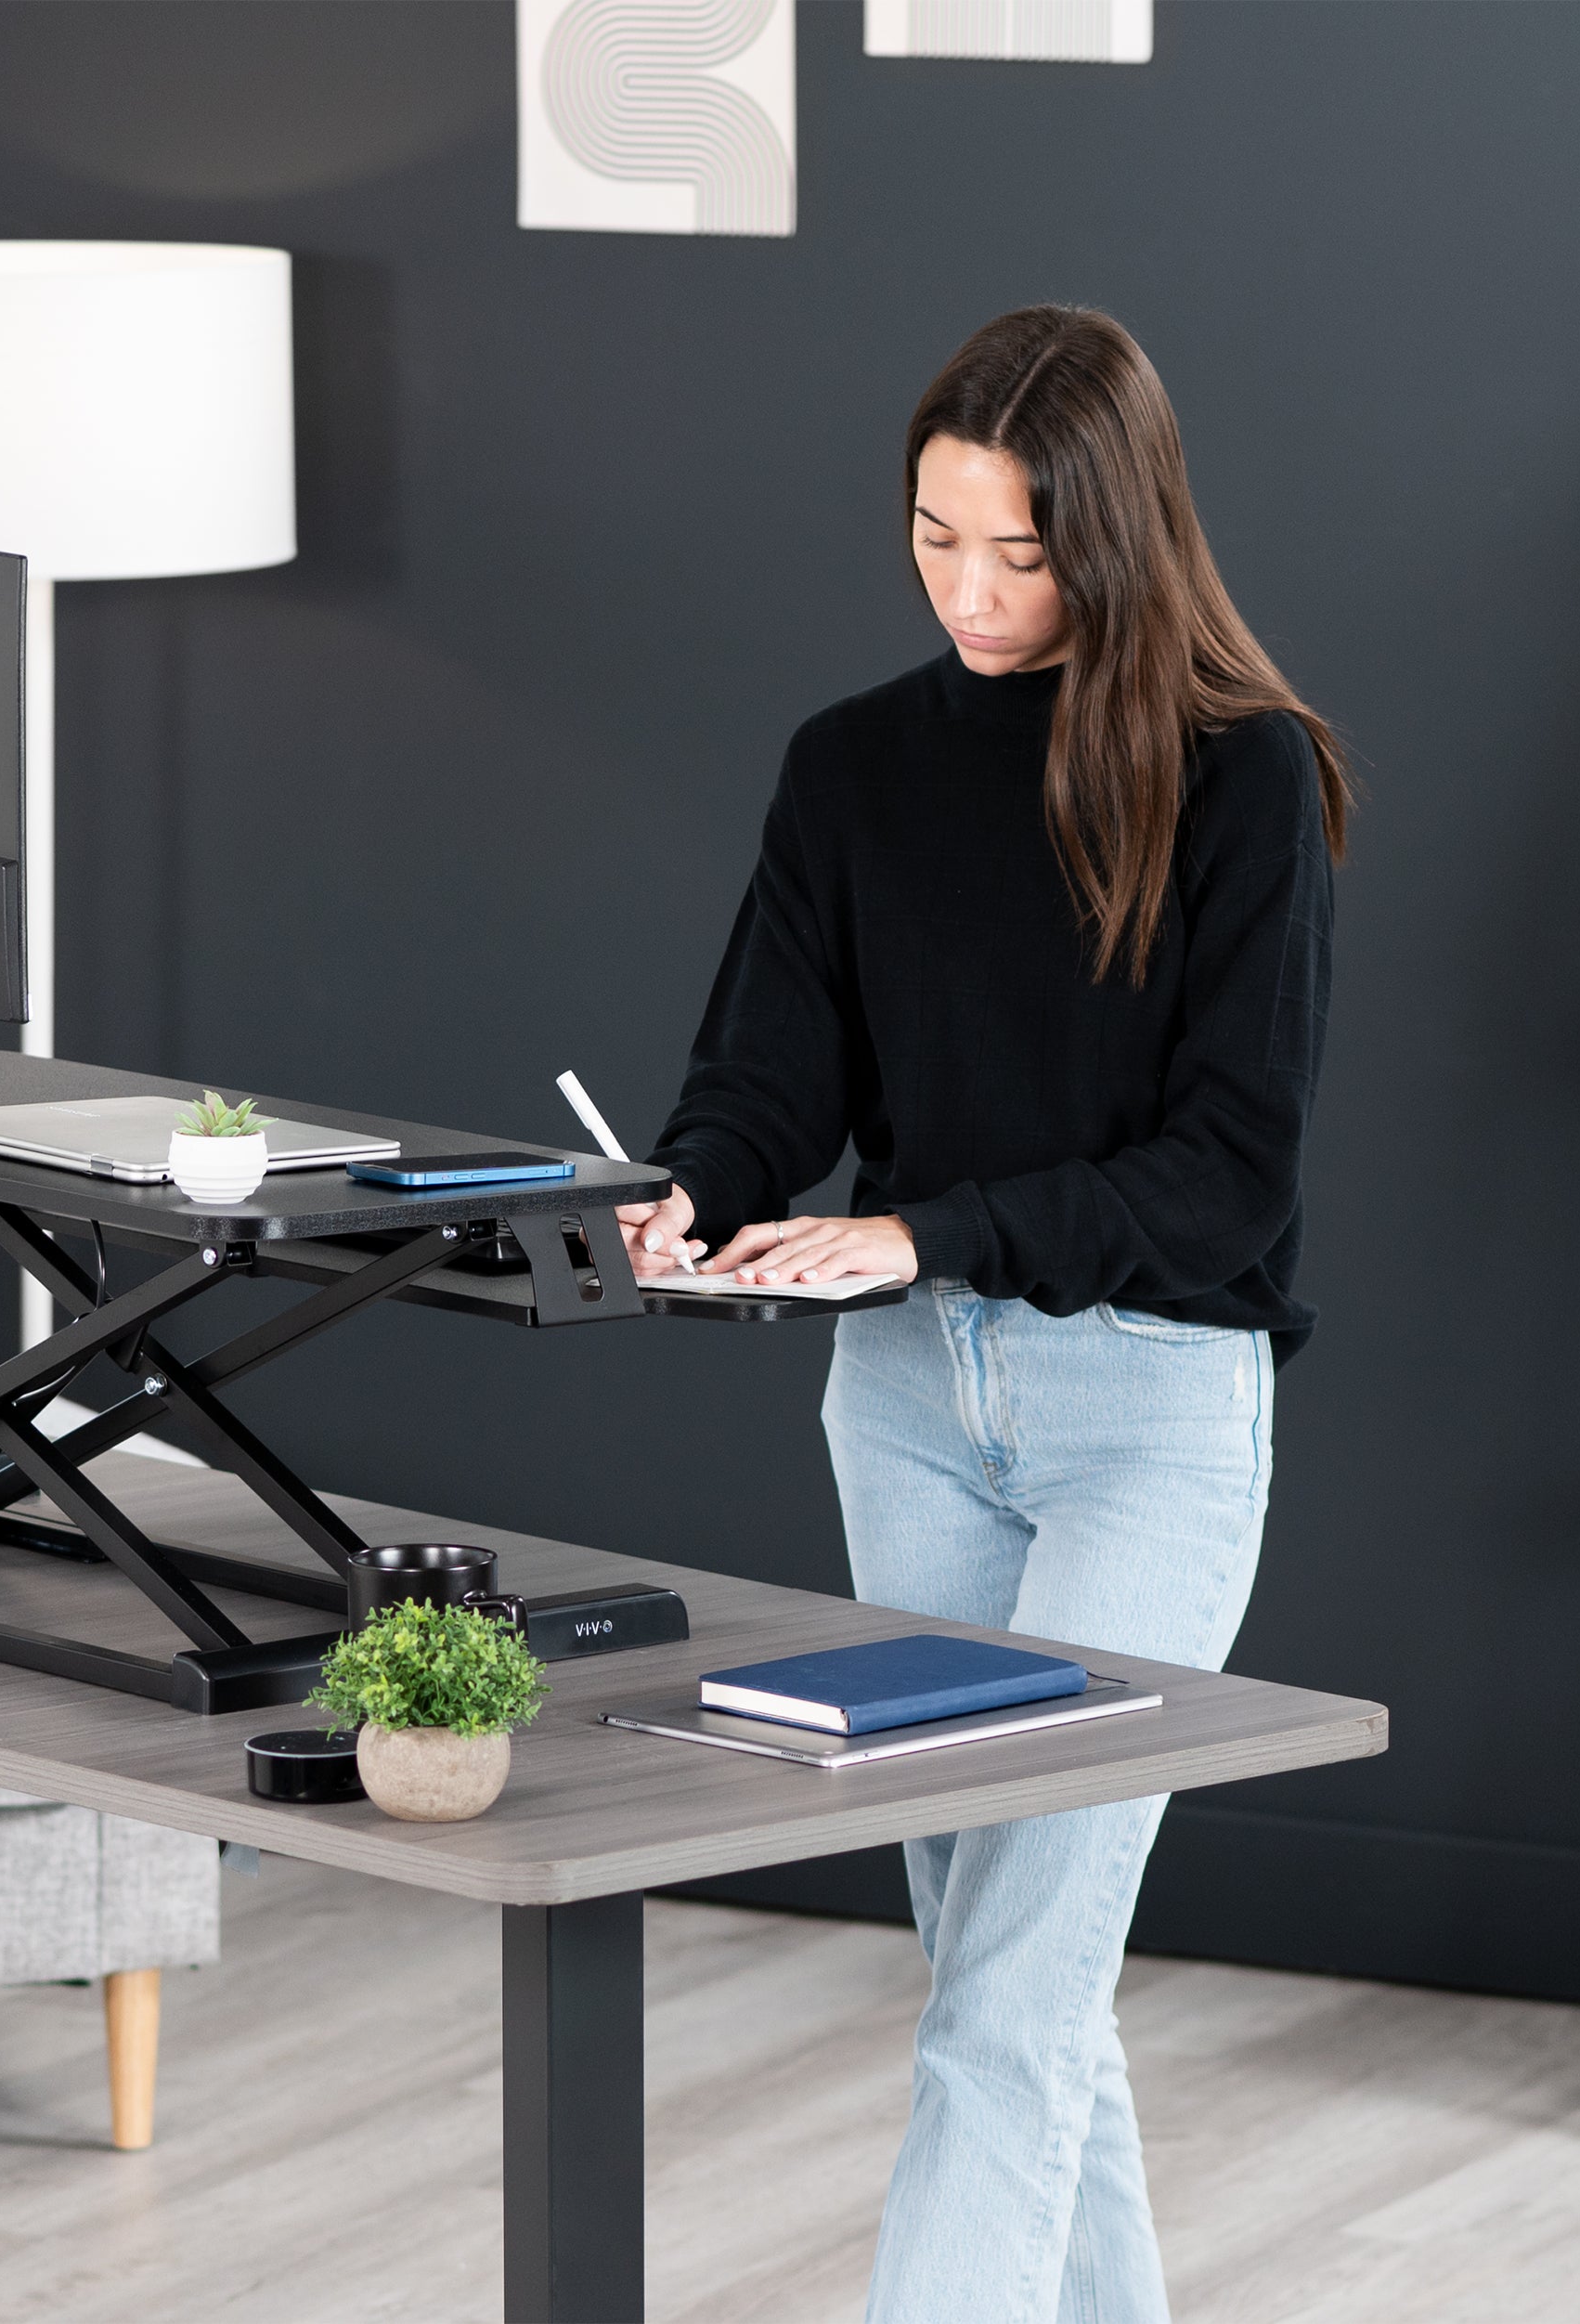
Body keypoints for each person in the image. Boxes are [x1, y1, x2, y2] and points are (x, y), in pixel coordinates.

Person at [615, 305, 1350, 2323]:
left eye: (1018, 554)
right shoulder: (850, 767)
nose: (970, 588)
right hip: (907, 1410)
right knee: (1009, 1981)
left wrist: (920, 1233)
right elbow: (769, 1071)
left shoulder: (1244, 780)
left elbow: (1230, 1179)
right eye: (934, 537)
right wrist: (703, 1193)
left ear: (1116, 541)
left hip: (1149, 1422)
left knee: (1007, 1998)